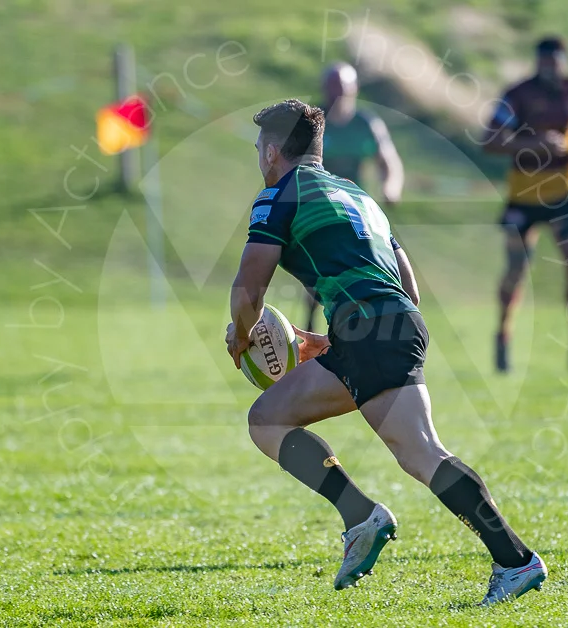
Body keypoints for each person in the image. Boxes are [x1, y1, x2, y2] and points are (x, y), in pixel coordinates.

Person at [226, 99, 546, 604]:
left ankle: (515, 561)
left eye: (258, 152)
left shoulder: (278, 196)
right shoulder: (358, 195)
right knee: (268, 418)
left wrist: (239, 335)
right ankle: (360, 517)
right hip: (389, 327)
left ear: (270, 152)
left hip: (372, 333)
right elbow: (407, 288)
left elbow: (248, 289)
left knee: (421, 451)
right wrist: (335, 343)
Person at [483, 36, 568, 373]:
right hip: (523, 197)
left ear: (564, 61)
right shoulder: (517, 94)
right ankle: (503, 335)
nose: (549, 68)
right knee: (516, 270)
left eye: (555, 62)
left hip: (565, 194)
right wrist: (532, 143)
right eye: (544, 62)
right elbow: (490, 140)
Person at [298, 62, 404, 332]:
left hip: (357, 211)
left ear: (354, 90)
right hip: (318, 207)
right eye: (332, 91)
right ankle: (311, 328)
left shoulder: (365, 124)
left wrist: (391, 186)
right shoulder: (313, 124)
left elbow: (388, 160)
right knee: (318, 270)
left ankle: (364, 327)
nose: (338, 97)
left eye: (343, 90)